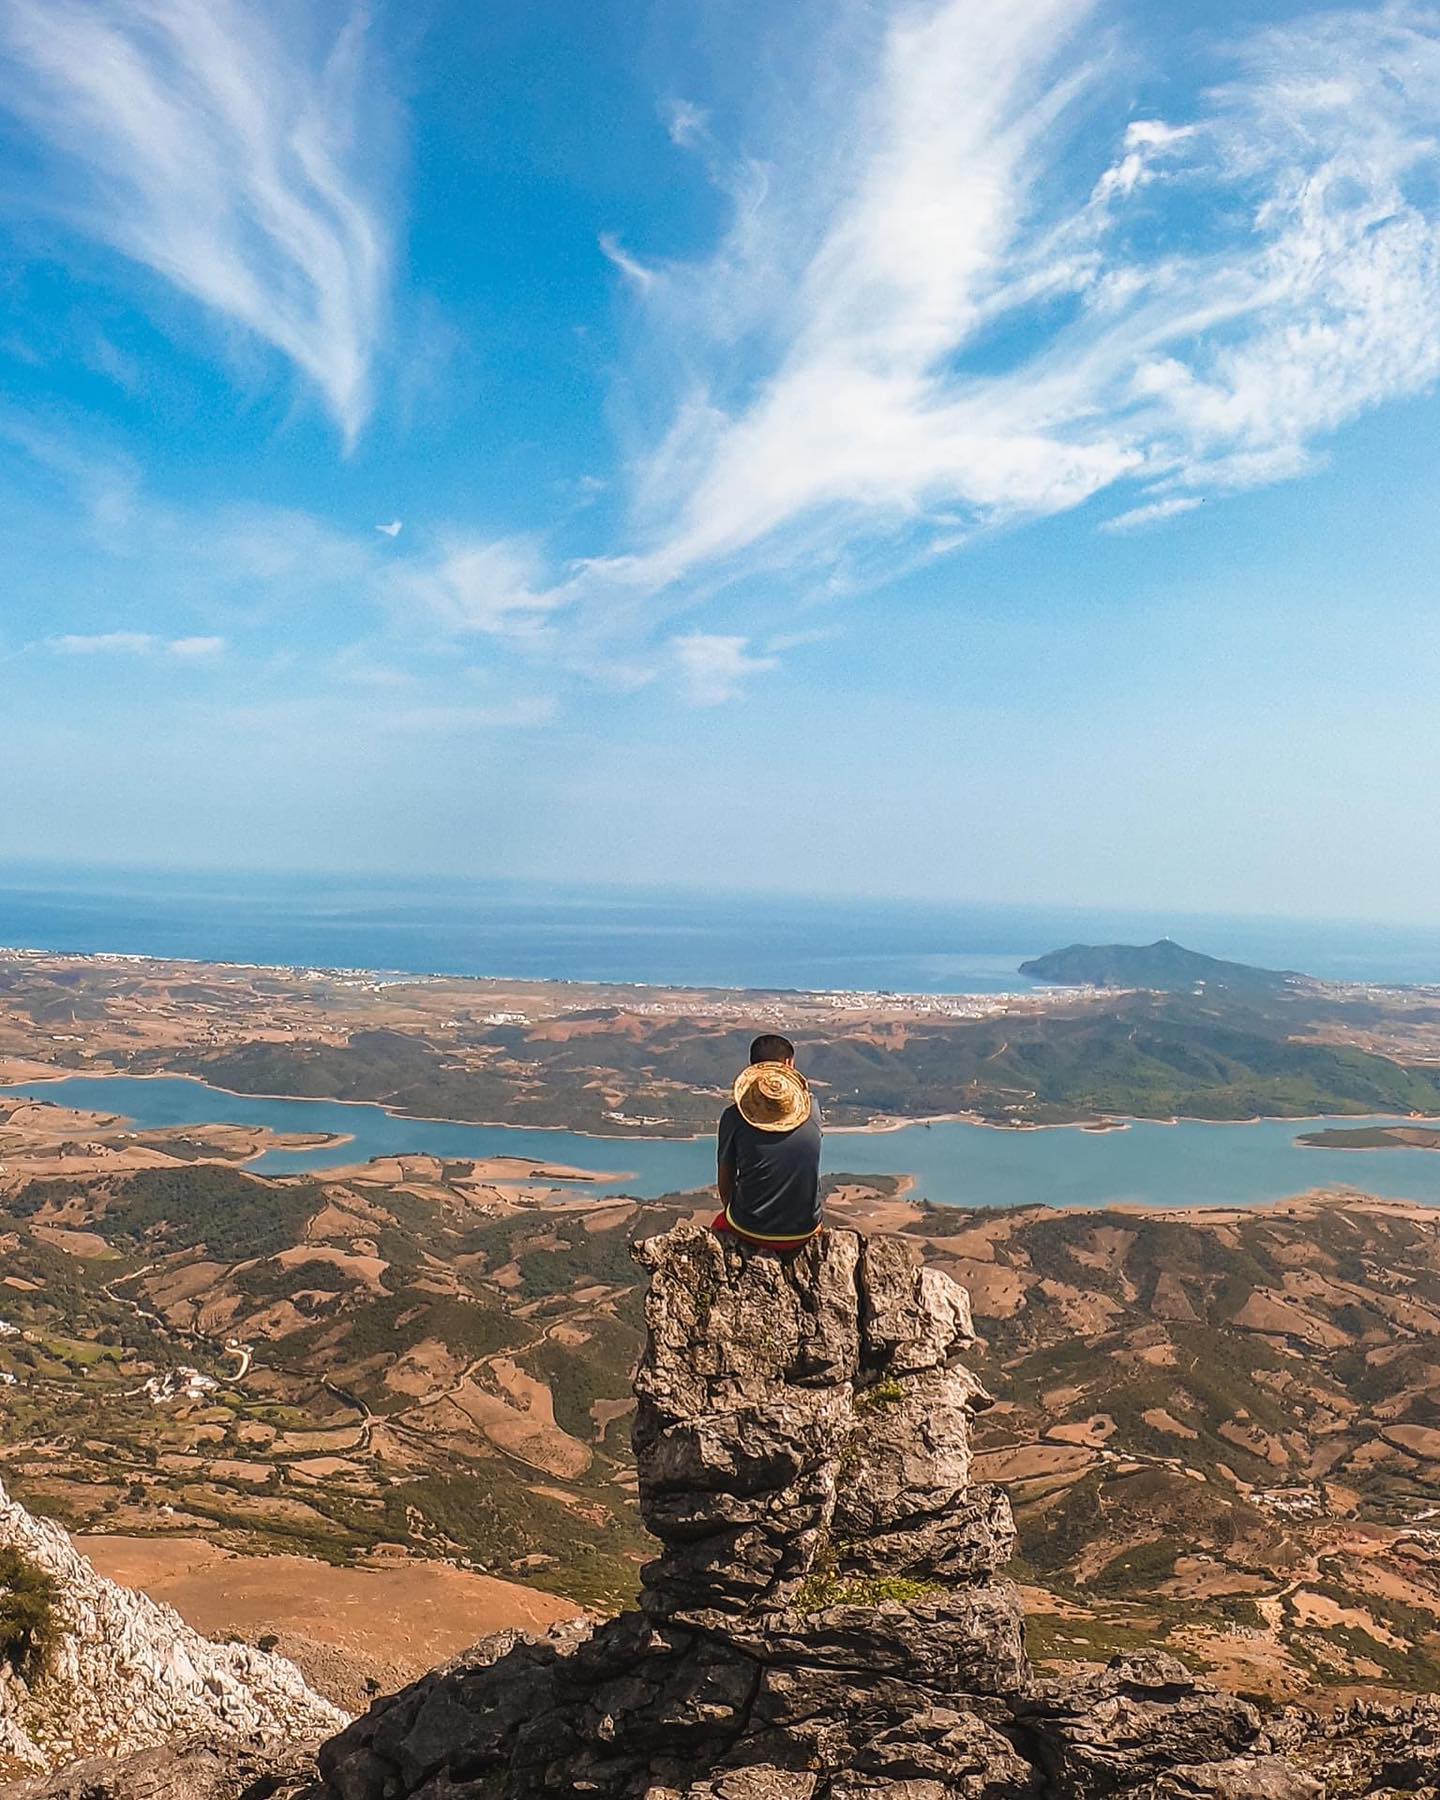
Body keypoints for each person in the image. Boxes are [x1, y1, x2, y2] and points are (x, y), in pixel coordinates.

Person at [712, 1033, 823, 1249]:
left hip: (748, 1229)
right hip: (805, 1229)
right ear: (789, 1064)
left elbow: (725, 1180)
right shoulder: (812, 1109)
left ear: (752, 1070)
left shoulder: (734, 1117)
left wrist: (732, 1210)